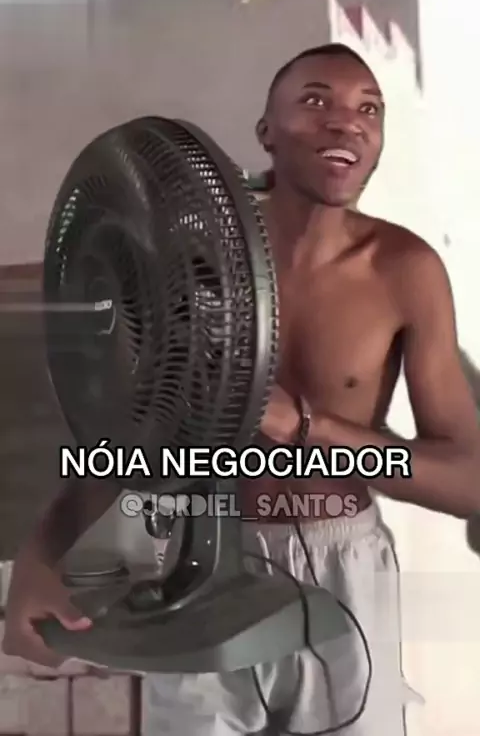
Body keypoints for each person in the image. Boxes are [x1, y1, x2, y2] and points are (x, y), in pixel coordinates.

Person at [3, 44, 480, 736]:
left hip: (343, 565)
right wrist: (41, 554)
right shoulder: (186, 262)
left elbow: (468, 480)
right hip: (201, 554)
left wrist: (308, 427)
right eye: (315, 101)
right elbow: (126, 430)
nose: (346, 122)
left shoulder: (407, 270)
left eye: (369, 109)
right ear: (266, 133)